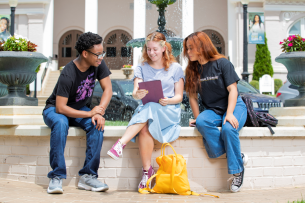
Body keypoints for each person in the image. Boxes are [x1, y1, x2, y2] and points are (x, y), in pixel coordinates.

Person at [107, 32, 184, 190]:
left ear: (163, 48)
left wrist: (168, 100)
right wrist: (137, 93)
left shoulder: (176, 68)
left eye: (155, 49)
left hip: (168, 110)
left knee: (149, 107)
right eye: (148, 49)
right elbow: (136, 92)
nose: (151, 52)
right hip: (149, 111)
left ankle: (121, 143)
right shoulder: (141, 67)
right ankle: (147, 171)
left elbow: (179, 97)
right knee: (143, 129)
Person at [43, 32, 112, 194]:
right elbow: (60, 108)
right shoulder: (68, 72)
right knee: (61, 123)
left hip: (79, 109)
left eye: (103, 53)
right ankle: (56, 176)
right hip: (55, 109)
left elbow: (108, 89)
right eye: (98, 54)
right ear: (85, 53)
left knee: (97, 125)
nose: (101, 57)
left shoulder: (97, 63)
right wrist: (90, 113)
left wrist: (98, 112)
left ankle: (88, 176)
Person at [183, 31, 248, 193]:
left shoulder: (222, 63)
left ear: (201, 46)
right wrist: (198, 119)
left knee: (228, 128)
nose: (188, 52)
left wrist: (230, 113)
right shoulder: (192, 69)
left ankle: (237, 171)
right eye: (187, 49)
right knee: (202, 122)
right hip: (213, 110)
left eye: (191, 48)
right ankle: (237, 157)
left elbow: (233, 90)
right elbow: (192, 98)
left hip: (234, 106)